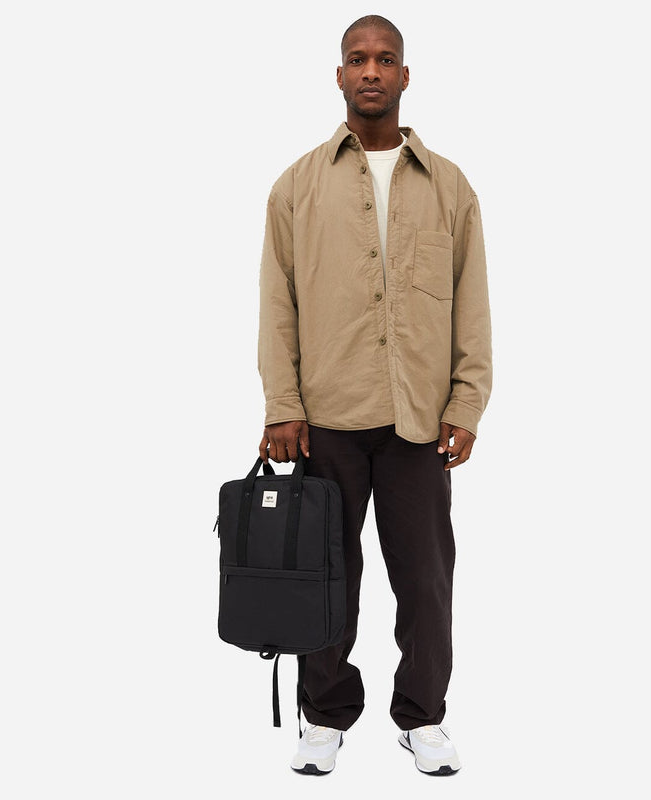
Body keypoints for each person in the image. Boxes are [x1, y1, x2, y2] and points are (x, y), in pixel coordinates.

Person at [256, 14, 492, 776]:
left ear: (405, 76)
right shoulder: (297, 185)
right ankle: (324, 715)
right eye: (357, 58)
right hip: (326, 418)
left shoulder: (449, 185)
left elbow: (472, 301)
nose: (370, 71)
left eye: (385, 59)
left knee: (424, 577)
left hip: (419, 422)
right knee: (326, 577)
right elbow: (278, 302)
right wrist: (282, 405)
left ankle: (422, 716)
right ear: (338, 75)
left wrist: (466, 404)